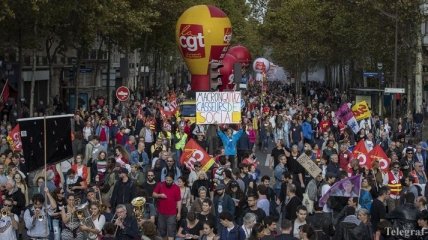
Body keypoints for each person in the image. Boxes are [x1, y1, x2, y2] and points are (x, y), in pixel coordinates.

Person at [153, 173, 182, 240]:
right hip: (161, 213)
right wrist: (160, 195)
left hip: (172, 213)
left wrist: (179, 213)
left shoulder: (176, 188)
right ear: (165, 179)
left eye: (170, 180)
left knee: (171, 231)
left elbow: (179, 201)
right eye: (167, 180)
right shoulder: (160, 184)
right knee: (161, 231)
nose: (168, 181)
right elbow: (153, 194)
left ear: (173, 180)